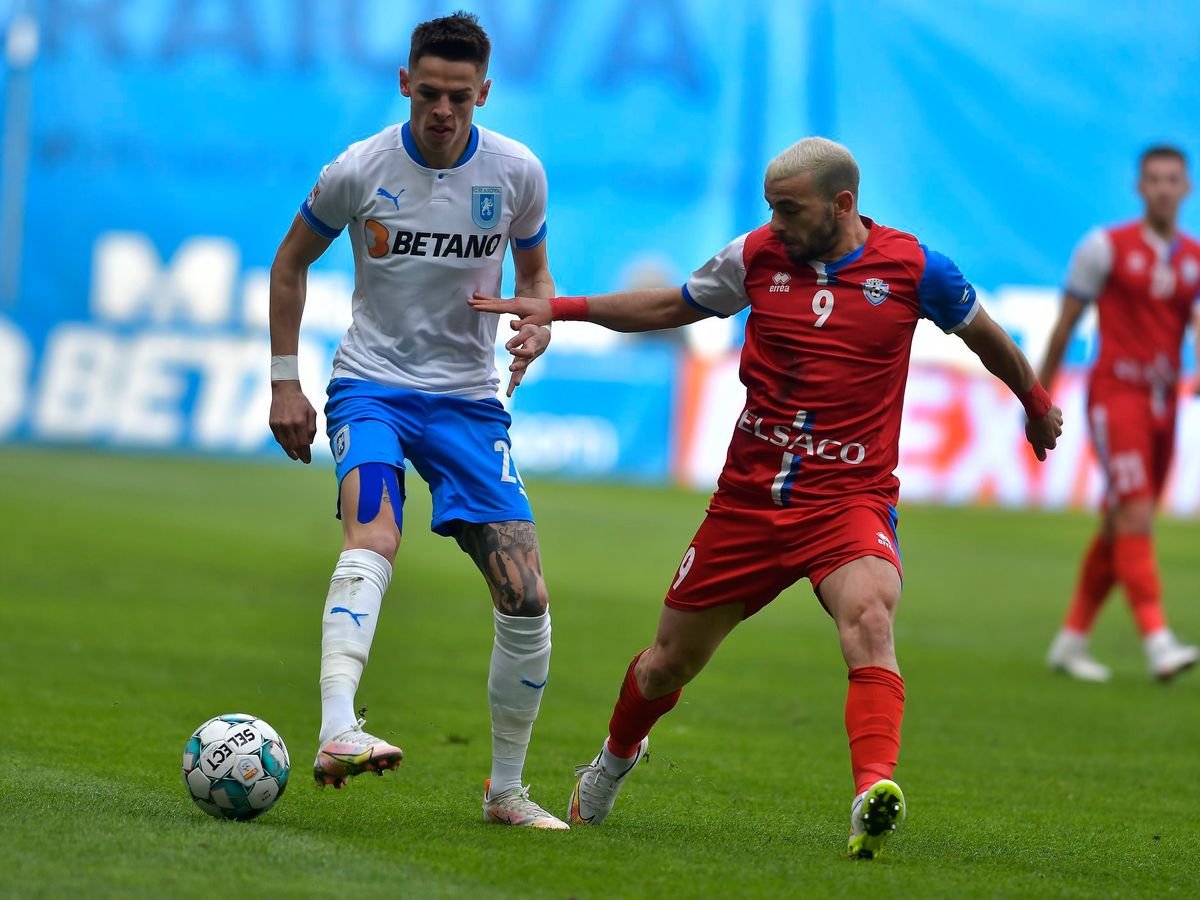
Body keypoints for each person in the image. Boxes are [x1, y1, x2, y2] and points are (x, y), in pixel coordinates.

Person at [472, 137, 1063, 859]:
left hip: (848, 501)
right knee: (666, 664)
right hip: (750, 503)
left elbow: (985, 336)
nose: (776, 223)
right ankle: (613, 761)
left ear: (843, 205)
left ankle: (871, 794)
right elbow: (669, 304)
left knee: (871, 618)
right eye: (770, 209)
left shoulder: (914, 268)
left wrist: (1034, 401)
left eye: (790, 209)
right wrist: (557, 308)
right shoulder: (756, 257)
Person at [267, 11, 568, 830]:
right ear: (405, 83)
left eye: (460, 97)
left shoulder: (517, 173)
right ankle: (337, 729)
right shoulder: (360, 169)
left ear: (485, 92)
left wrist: (536, 323)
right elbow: (290, 262)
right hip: (371, 385)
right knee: (373, 539)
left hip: (469, 401)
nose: (443, 110)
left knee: (527, 595)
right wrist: (286, 383)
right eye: (429, 93)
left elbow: (536, 273)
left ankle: (505, 793)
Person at [1043, 145, 1200, 683]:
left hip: (1164, 403)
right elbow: (1065, 326)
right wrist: (1037, 394)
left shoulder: (1193, 258)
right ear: (1139, 187)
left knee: (1119, 522)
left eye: (1172, 179)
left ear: (1186, 189)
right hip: (1116, 396)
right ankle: (1157, 641)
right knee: (1136, 516)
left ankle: (1070, 640)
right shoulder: (1104, 247)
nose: (1161, 188)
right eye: (1152, 179)